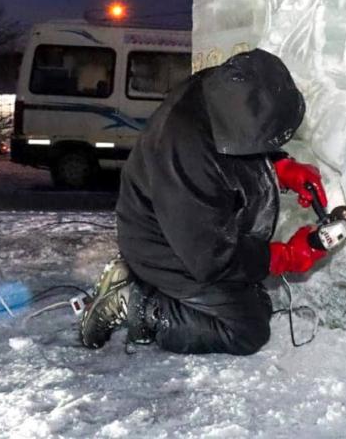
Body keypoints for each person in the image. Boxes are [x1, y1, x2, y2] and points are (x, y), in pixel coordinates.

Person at [80, 49, 330, 355]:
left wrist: (280, 167)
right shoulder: (185, 150)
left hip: (183, 227)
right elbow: (211, 256)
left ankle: (145, 286)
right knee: (246, 330)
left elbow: (237, 151)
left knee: (258, 303)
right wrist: (282, 257)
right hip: (164, 246)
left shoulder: (219, 90)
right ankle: (137, 305)